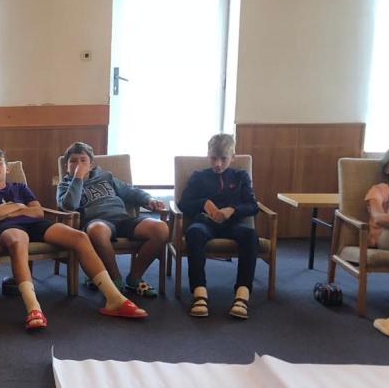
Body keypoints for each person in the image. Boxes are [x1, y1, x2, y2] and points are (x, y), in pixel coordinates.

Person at [0, 149, 147, 330]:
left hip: (36, 223)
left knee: (80, 237)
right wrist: (19, 206)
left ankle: (114, 299)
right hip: (8, 227)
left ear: (7, 168)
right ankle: (33, 308)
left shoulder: (20, 187)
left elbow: (38, 211)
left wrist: (7, 210)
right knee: (17, 241)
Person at [55, 141, 169, 298]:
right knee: (97, 230)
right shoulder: (64, 186)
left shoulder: (106, 177)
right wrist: (78, 178)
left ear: (91, 165)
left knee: (161, 228)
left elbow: (130, 191)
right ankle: (114, 279)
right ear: (66, 166)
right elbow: (69, 205)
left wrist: (149, 199)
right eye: (73, 161)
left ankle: (135, 277)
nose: (78, 164)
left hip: (123, 219)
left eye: (83, 161)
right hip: (98, 222)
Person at [177, 134, 260, 319]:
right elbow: (183, 203)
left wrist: (233, 209)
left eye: (223, 159)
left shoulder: (240, 176)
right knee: (194, 233)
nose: (218, 164)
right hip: (205, 223)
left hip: (233, 225)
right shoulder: (198, 176)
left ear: (233, 157)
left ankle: (242, 294)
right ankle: (199, 292)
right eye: (214, 158)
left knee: (250, 235)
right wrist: (203, 202)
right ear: (208, 155)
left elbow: (253, 205)